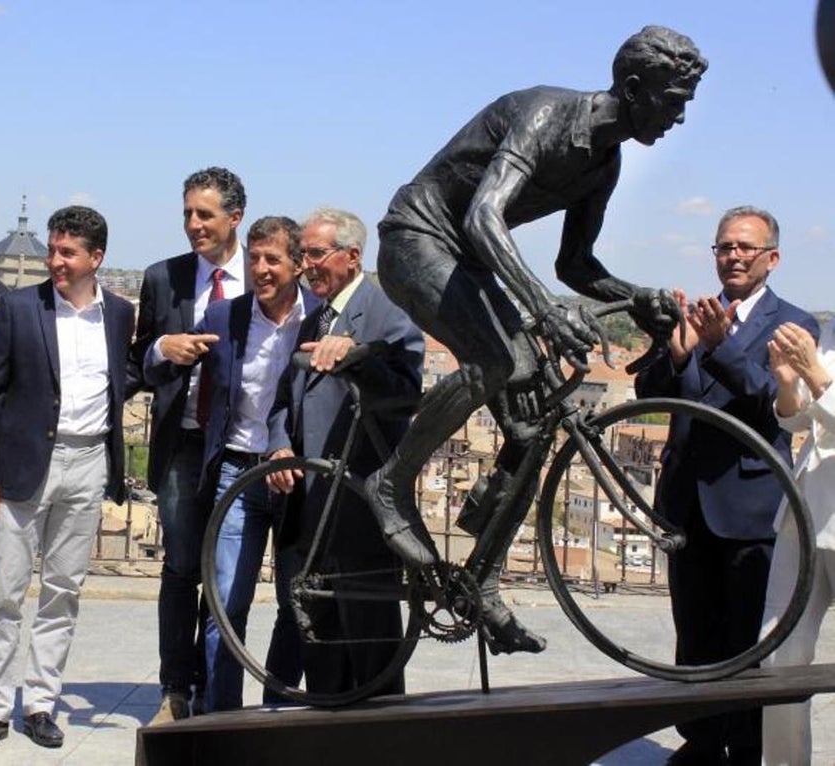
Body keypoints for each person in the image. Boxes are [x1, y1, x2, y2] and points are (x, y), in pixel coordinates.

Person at [365, 25, 704, 656]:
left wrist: (637, 297)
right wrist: (543, 312)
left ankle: (482, 585)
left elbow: (577, 266)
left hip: (467, 263)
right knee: (500, 359)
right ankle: (390, 483)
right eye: (673, 99)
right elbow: (482, 215)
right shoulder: (547, 114)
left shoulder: (604, 163)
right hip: (416, 239)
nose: (680, 116)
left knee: (529, 428)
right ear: (633, 89)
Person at [635, 206, 818, 765]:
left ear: (772, 258)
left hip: (751, 505)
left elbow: (771, 401)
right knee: (694, 633)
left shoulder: (794, 323)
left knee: (747, 640)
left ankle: (745, 749)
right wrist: (679, 349)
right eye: (724, 247)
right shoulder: (694, 315)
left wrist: (718, 346)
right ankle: (701, 741)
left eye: (744, 248)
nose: (733, 257)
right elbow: (648, 389)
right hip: (687, 503)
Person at [0, 206, 135, 753]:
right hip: (24, 467)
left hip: (88, 465)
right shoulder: (18, 307)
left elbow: (124, 376)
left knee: (64, 592)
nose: (55, 261)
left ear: (96, 258)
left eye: (67, 252)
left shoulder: (120, 315)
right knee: (5, 592)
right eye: (52, 251)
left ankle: (40, 703)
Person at [146, 216, 318, 712]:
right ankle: (219, 716)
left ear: (298, 265)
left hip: (298, 478)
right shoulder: (225, 316)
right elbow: (158, 366)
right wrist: (165, 348)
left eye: (273, 260)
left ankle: (276, 709)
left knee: (296, 602)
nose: (260, 269)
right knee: (225, 604)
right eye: (255, 258)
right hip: (236, 474)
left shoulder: (322, 318)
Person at [266, 207, 424, 696]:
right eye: (303, 254)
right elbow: (282, 402)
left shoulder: (388, 313)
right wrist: (278, 446)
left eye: (315, 253)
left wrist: (355, 357)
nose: (306, 265)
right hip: (309, 512)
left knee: (372, 655)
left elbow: (404, 393)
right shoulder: (313, 318)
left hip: (360, 515)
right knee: (323, 652)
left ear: (352, 256)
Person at [130, 167, 249, 723]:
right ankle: (176, 689)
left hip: (238, 447)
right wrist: (161, 349)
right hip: (181, 442)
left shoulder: (265, 273)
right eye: (187, 214)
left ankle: (217, 690)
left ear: (235, 218)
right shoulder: (162, 278)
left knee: (226, 575)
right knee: (181, 569)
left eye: (205, 214)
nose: (194, 225)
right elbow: (136, 364)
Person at [761, 318, 835, 766]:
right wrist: (789, 385)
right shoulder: (829, 331)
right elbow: (798, 420)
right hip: (803, 516)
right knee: (778, 661)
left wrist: (817, 375)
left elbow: (825, 393)